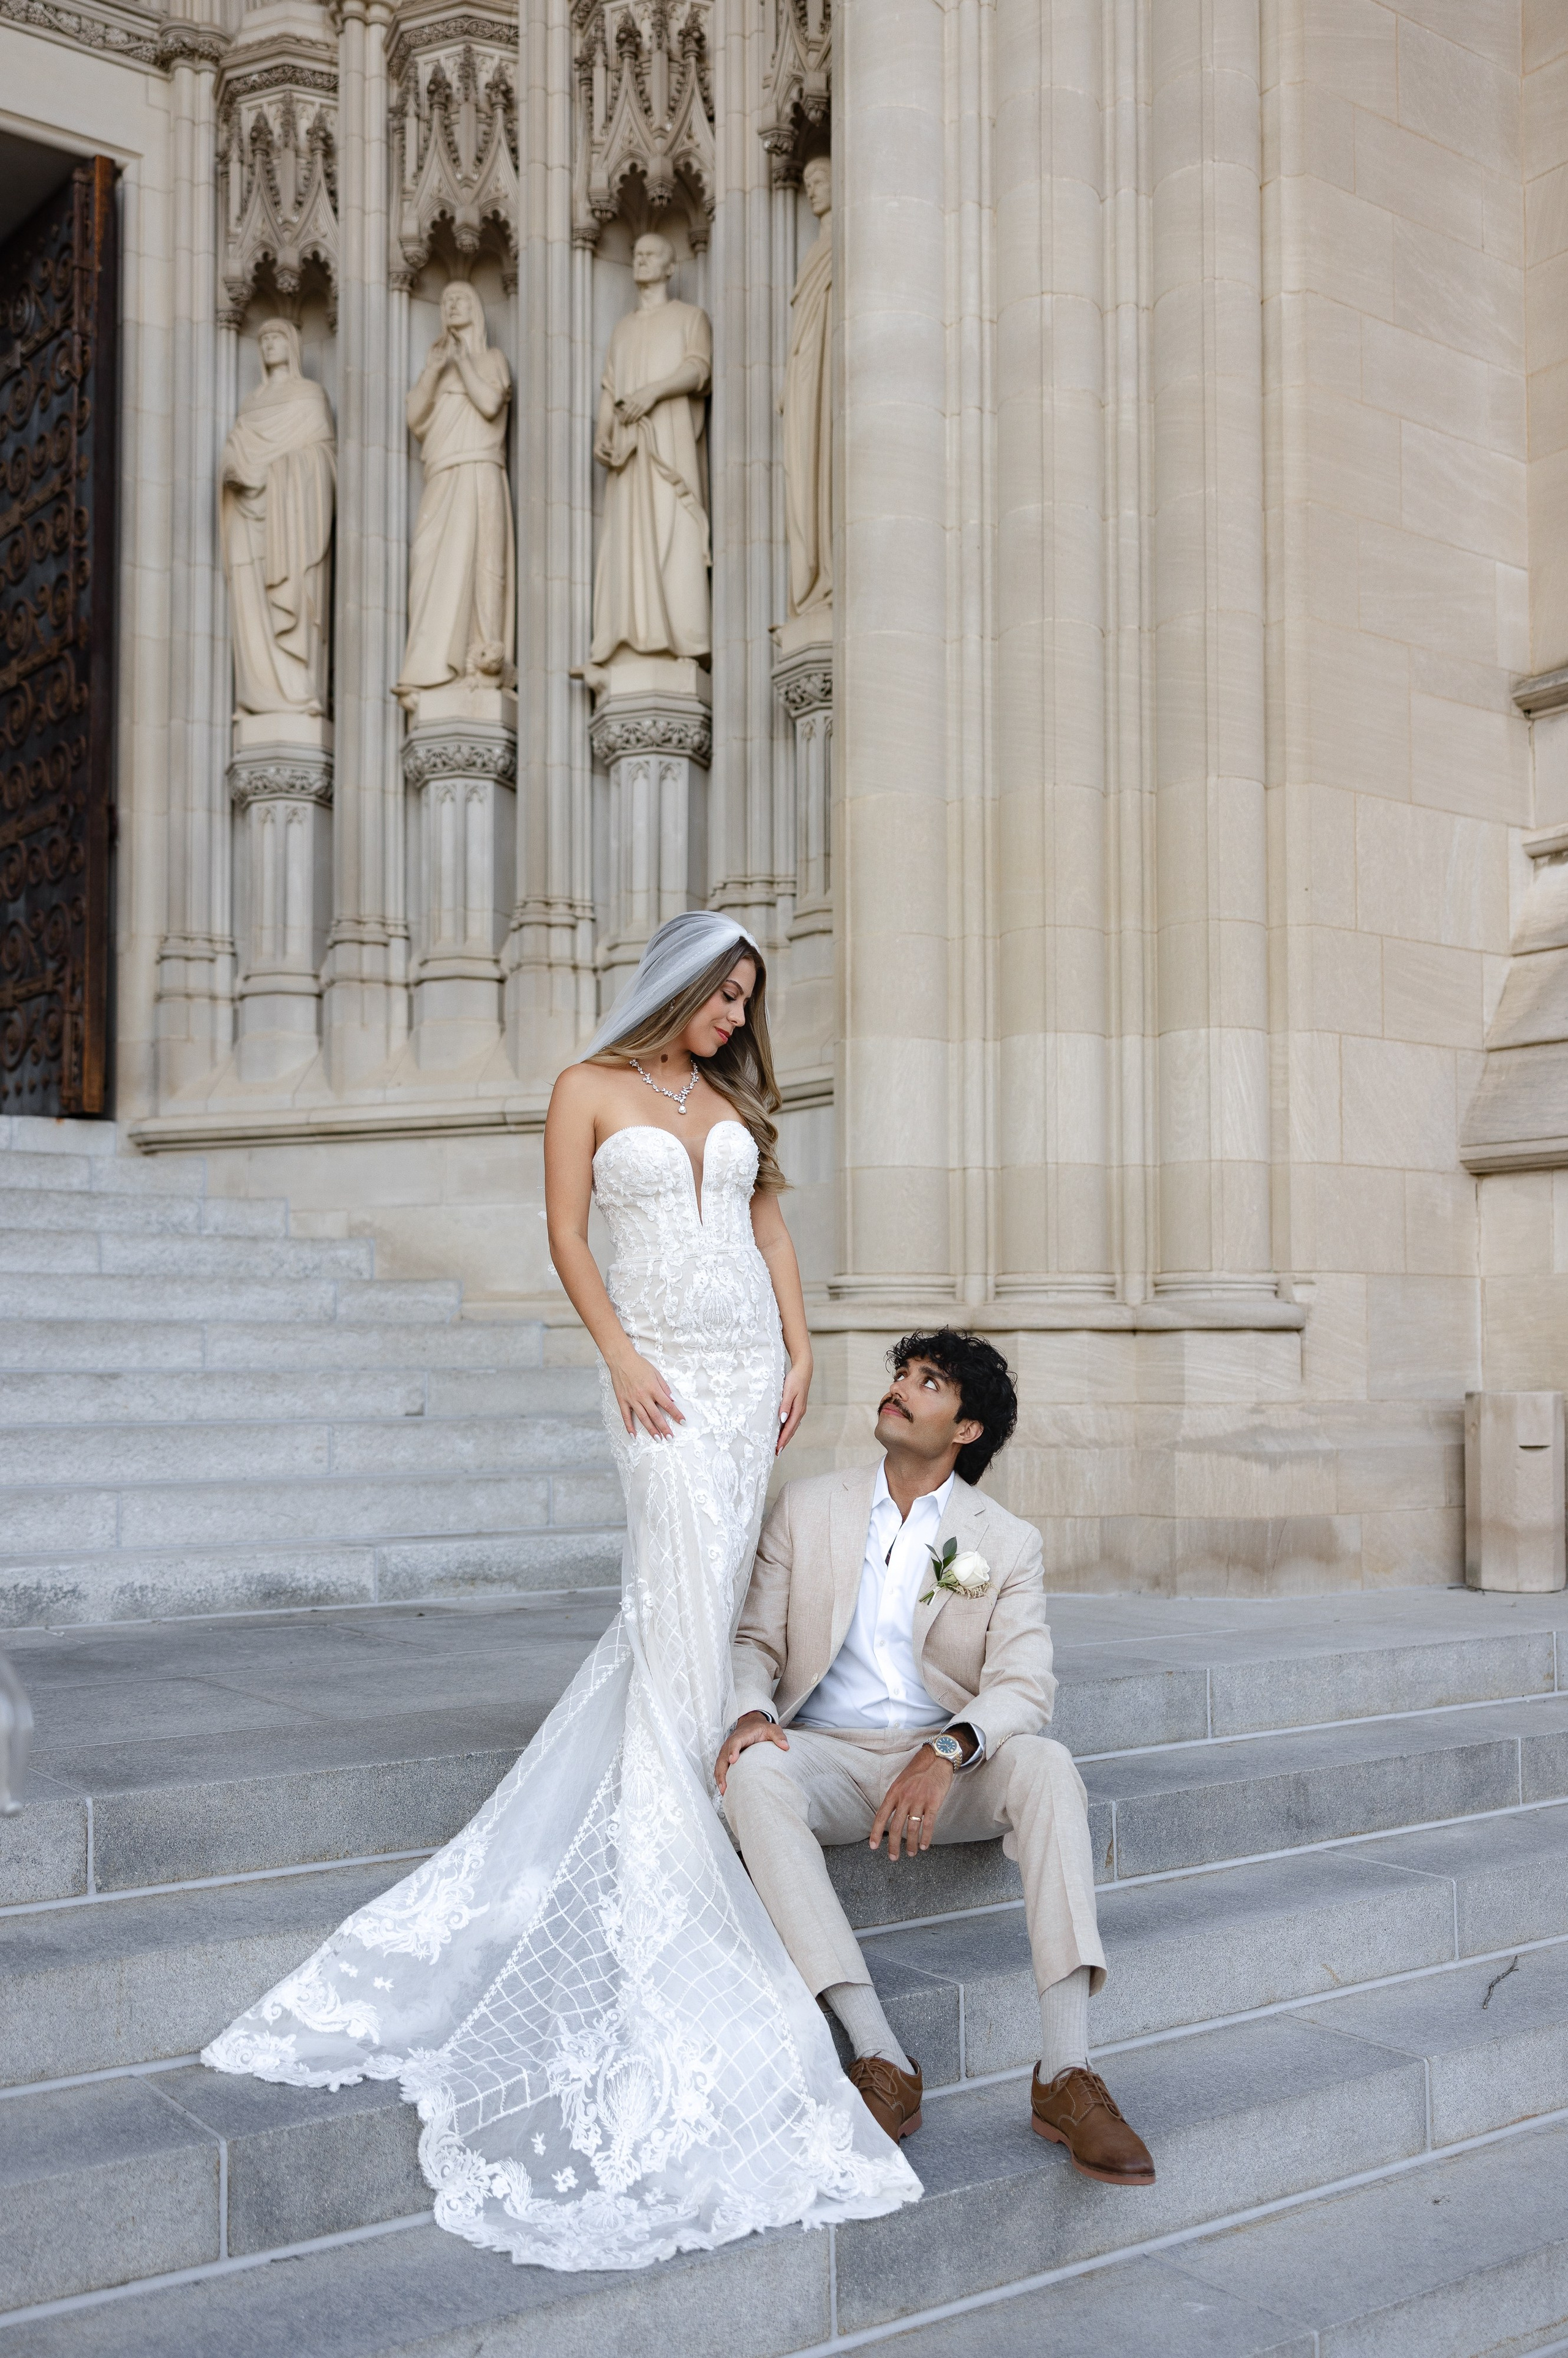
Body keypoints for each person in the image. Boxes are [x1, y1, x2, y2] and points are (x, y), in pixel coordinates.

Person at [202, 910, 919, 2269]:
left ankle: (698, 1778)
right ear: (681, 983)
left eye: (747, 1001)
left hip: (744, 1369)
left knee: (696, 1610)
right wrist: (621, 1359)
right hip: (656, 1373)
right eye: (724, 995)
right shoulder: (585, 1087)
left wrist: (803, 1348)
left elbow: (767, 1226)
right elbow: (566, 1237)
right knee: (676, 1584)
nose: (733, 1018)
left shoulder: (734, 1105)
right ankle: (674, 1850)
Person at [715, 1329, 1156, 2187]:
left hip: (942, 1773)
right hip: (829, 1757)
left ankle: (1066, 2074)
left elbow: (1025, 1685)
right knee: (751, 1771)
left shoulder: (1006, 1540)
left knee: (1049, 1764)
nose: (900, 1389)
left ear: (967, 1430)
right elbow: (755, 1641)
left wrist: (947, 1747)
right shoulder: (807, 1506)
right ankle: (878, 2054)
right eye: (901, 1375)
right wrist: (750, 1712)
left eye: (927, 1382)